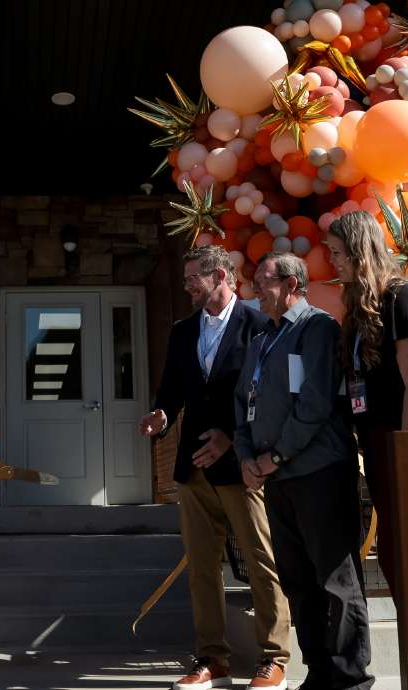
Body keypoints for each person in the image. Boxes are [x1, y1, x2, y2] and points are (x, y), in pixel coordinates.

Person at [139, 245, 290, 690]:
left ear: (220, 276)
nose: (186, 284)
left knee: (263, 562)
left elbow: (267, 397)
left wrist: (230, 436)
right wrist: (161, 417)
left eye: (192, 278)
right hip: (193, 469)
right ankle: (212, 659)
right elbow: (171, 391)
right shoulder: (183, 331)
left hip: (241, 466)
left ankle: (274, 658)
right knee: (202, 568)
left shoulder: (259, 326)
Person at [234, 252, 372, 690]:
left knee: (336, 578)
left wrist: (275, 456)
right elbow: (242, 405)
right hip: (278, 482)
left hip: (318, 473)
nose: (255, 288)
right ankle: (318, 671)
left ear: (292, 285)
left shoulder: (317, 328)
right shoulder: (260, 341)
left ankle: (349, 678)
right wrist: (246, 456)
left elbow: (313, 402)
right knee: (298, 581)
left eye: (263, 280)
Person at [326, 211, 408, 683]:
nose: (333, 261)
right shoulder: (360, 306)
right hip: (377, 440)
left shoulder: (401, 297)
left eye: (338, 252)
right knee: (394, 552)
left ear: (360, 249)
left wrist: (406, 448)